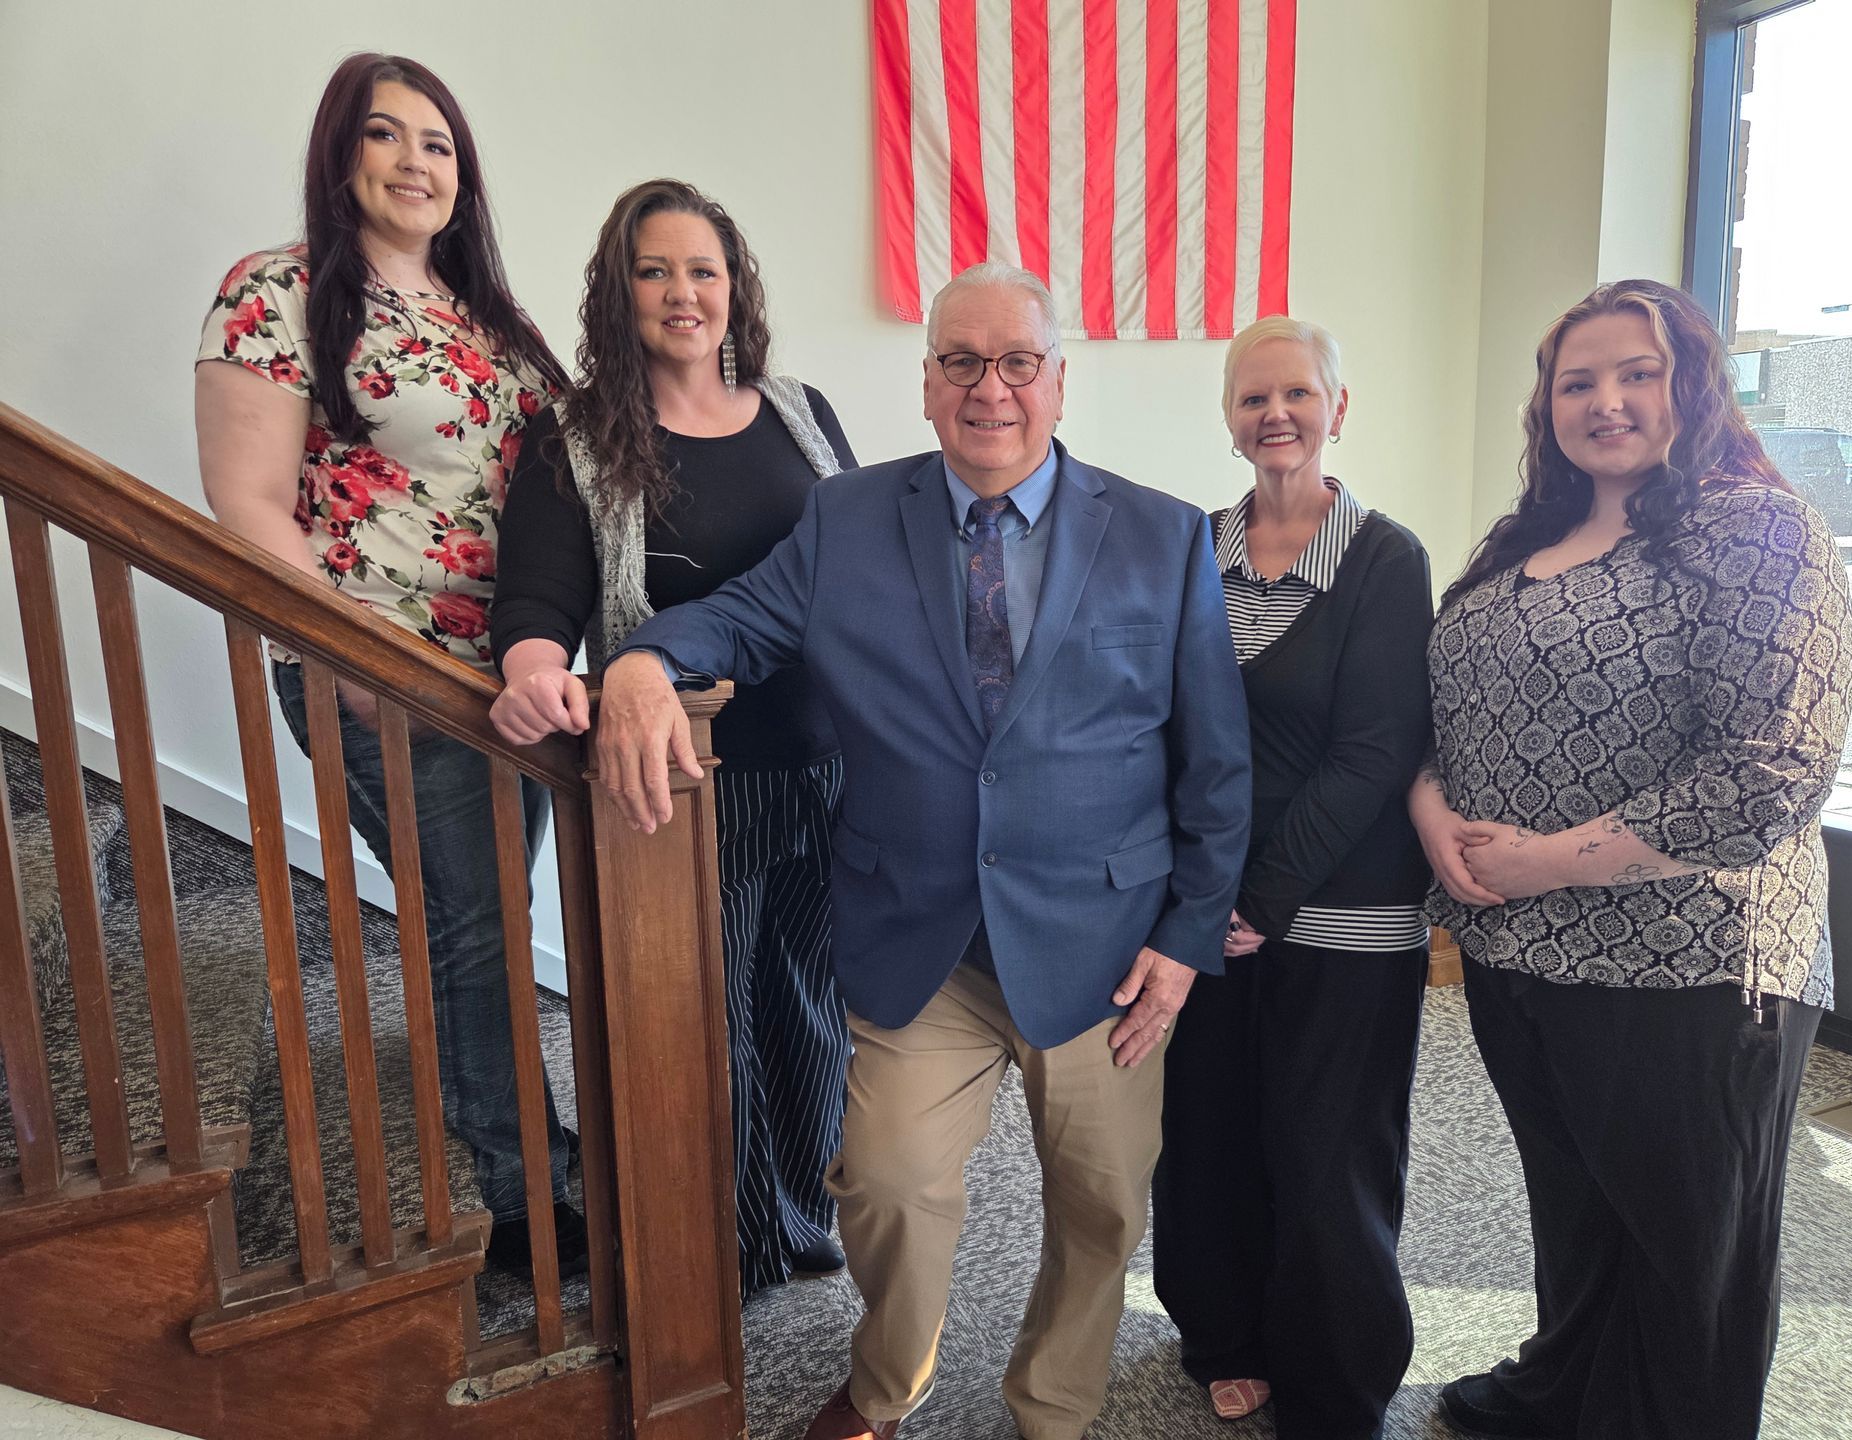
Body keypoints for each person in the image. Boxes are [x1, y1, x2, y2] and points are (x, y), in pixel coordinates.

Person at [592, 262, 1250, 1440]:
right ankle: (887, 1383)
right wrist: (643, 664)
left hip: (1107, 949)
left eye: (1016, 363)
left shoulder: (1163, 535)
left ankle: (1052, 1408)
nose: (989, 389)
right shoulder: (848, 519)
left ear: (1059, 381)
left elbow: (1215, 764)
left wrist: (1188, 938)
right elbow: (736, 620)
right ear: (928, 382)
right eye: (961, 362)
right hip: (922, 943)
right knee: (889, 1186)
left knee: (1102, 1209)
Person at [1412, 279, 1852, 1440]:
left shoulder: (1757, 527)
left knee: (1687, 1248)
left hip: (1692, 966)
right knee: (1576, 1212)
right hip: (1518, 953)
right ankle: (1569, 1390)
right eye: (1577, 382)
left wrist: (1548, 861)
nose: (1605, 401)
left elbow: (1772, 769)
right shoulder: (1529, 537)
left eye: (1637, 373)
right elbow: (1438, 713)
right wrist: (1429, 815)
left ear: (1693, 383)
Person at [195, 53, 581, 1277]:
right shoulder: (281, 291)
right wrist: (346, 657)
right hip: (380, 666)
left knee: (492, 923)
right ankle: (529, 1195)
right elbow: (248, 502)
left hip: (507, 676)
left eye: (440, 143)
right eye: (388, 136)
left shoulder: (490, 318)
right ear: (341, 155)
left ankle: (533, 1145)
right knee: (475, 927)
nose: (418, 162)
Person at [488, 178, 857, 1294]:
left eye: (704, 269)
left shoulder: (802, 409)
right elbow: (538, 600)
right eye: (655, 271)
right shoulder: (579, 436)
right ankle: (720, 1250)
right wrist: (533, 669)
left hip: (829, 767)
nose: (683, 293)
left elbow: (864, 562)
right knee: (709, 1027)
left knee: (813, 1011)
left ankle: (799, 1215)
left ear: (735, 285)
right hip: (686, 780)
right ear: (620, 289)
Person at [1151, 317, 1433, 1435]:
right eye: (1253, 397)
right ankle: (1226, 1335)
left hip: (1341, 916)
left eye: (1297, 394)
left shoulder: (1384, 557)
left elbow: (1374, 750)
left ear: (1337, 408)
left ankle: (1334, 1382)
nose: (1276, 414)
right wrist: (1201, 902)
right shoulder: (1190, 550)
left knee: (1329, 1156)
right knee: (1212, 1134)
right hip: (1209, 912)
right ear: (1229, 418)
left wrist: (1260, 903)